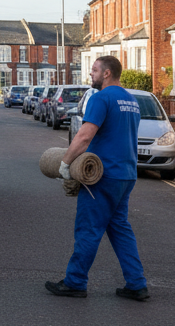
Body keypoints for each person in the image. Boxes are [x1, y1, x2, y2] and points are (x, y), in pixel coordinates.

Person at [46, 55, 149, 300]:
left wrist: (65, 164)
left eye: (94, 70)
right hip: (126, 175)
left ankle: (75, 282)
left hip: (102, 176)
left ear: (107, 73)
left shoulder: (101, 98)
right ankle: (136, 284)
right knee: (120, 229)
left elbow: (84, 136)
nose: (90, 74)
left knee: (88, 229)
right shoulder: (132, 101)